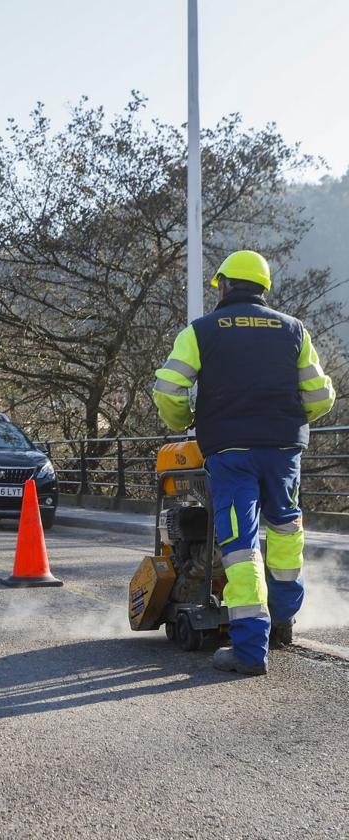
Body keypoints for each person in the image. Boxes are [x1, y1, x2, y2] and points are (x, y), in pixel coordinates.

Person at [153, 250, 336, 676]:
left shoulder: (202, 330)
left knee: (239, 545)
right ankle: (284, 617)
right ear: (263, 288)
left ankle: (251, 650)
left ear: (224, 285)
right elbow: (321, 396)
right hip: (283, 449)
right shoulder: (293, 330)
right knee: (287, 529)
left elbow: (168, 390)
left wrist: (185, 421)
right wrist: (286, 421)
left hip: (231, 451)